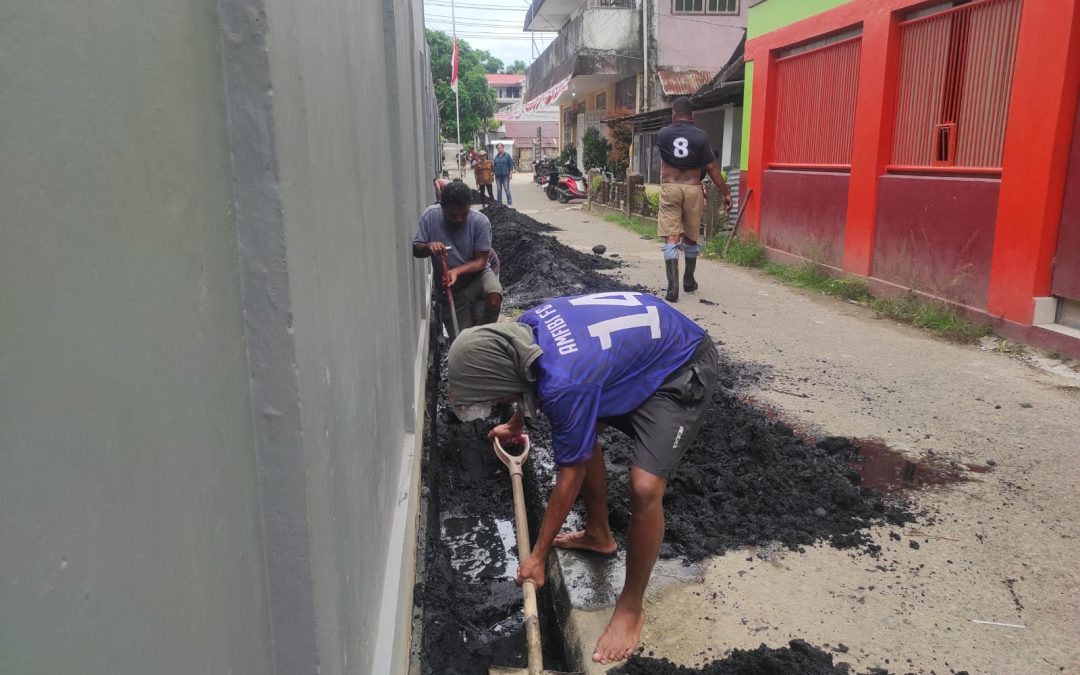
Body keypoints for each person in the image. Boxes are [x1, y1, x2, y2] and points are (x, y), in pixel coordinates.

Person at [446, 291, 719, 665]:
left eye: (493, 399)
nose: (493, 403)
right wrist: (515, 421)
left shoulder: (564, 383)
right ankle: (598, 535)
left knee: (644, 486)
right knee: (580, 433)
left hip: (680, 367)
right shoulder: (527, 329)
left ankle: (630, 607)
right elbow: (524, 379)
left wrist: (538, 556)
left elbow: (568, 477)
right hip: (634, 357)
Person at [655, 97, 732, 303]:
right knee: (691, 236)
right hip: (692, 188)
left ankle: (673, 288)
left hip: (670, 187)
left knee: (671, 236)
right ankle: (689, 280)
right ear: (692, 116)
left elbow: (665, 161)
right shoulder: (701, 136)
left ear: (673, 114)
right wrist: (725, 192)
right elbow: (712, 168)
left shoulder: (663, 134)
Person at [412, 181, 503, 334]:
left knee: (494, 296)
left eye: (464, 213)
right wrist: (428, 246)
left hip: (478, 277)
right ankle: (471, 342)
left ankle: (483, 336)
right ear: (442, 207)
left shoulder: (480, 222)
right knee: (461, 342)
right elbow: (416, 249)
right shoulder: (430, 217)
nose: (459, 219)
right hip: (451, 289)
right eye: (453, 215)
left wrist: (456, 271)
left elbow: (482, 261)